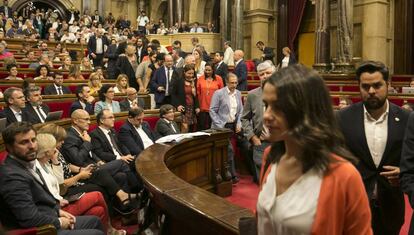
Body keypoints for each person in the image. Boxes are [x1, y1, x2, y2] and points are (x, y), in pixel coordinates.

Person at [257, 65, 372, 234]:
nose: (266, 115)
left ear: (305, 109)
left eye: (278, 106)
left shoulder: (343, 175)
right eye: (266, 105)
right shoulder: (270, 157)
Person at [337, 61, 409, 235]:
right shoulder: (342, 118)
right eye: (365, 86)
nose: (371, 91)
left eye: (377, 85)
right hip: (353, 204)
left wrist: (403, 171)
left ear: (388, 85)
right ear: (359, 87)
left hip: (390, 205)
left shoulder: (407, 118)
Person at [0, 122, 105, 234]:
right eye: (24, 142)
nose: (32, 146)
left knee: (95, 221)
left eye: (33, 140)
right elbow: (28, 218)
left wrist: (57, 211)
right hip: (41, 230)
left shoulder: (26, 162)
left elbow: (40, 200)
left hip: (50, 214)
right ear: (9, 147)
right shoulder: (12, 177)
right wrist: (58, 221)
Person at [37, 123, 139, 217]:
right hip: (68, 189)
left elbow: (66, 165)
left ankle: (123, 201)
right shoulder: (47, 158)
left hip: (75, 177)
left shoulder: (56, 151)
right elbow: (61, 185)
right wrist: (80, 175)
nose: (63, 142)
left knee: (113, 175)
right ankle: (122, 204)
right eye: (60, 140)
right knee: (101, 186)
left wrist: (81, 169)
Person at [35, 133, 111, 234]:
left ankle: (109, 230)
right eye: (54, 147)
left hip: (61, 201)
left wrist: (55, 161)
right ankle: (110, 229)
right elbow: (61, 188)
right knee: (97, 194)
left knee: (98, 210)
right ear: (47, 151)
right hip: (57, 208)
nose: (57, 150)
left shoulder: (48, 163)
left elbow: (60, 187)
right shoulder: (37, 167)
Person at [241, 61, 276, 183]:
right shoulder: (253, 95)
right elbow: (244, 118)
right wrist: (252, 137)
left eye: (268, 73)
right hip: (261, 144)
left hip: (279, 143)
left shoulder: (284, 92)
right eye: (262, 74)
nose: (265, 76)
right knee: (261, 181)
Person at [210, 73, 243, 183]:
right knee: (229, 150)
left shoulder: (238, 93)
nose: (234, 85)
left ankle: (229, 174)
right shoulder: (219, 93)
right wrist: (219, 125)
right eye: (232, 83)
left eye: (236, 83)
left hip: (233, 126)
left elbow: (241, 111)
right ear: (226, 82)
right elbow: (212, 110)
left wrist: (239, 123)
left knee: (232, 149)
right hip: (221, 127)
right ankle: (232, 176)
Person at [171, 64, 200, 133]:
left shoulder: (195, 81)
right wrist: (177, 105)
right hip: (183, 108)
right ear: (184, 72)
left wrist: (197, 106)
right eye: (189, 73)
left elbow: (196, 96)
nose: (191, 75)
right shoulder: (179, 81)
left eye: (192, 73)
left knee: (192, 129)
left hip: (192, 108)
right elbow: (173, 95)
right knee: (185, 128)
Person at [197, 62, 224, 130]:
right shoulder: (200, 78)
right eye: (206, 70)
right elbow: (198, 93)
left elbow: (222, 93)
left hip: (214, 108)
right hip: (202, 107)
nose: (207, 72)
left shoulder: (219, 78)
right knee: (202, 127)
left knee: (212, 128)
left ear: (213, 70)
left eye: (209, 70)